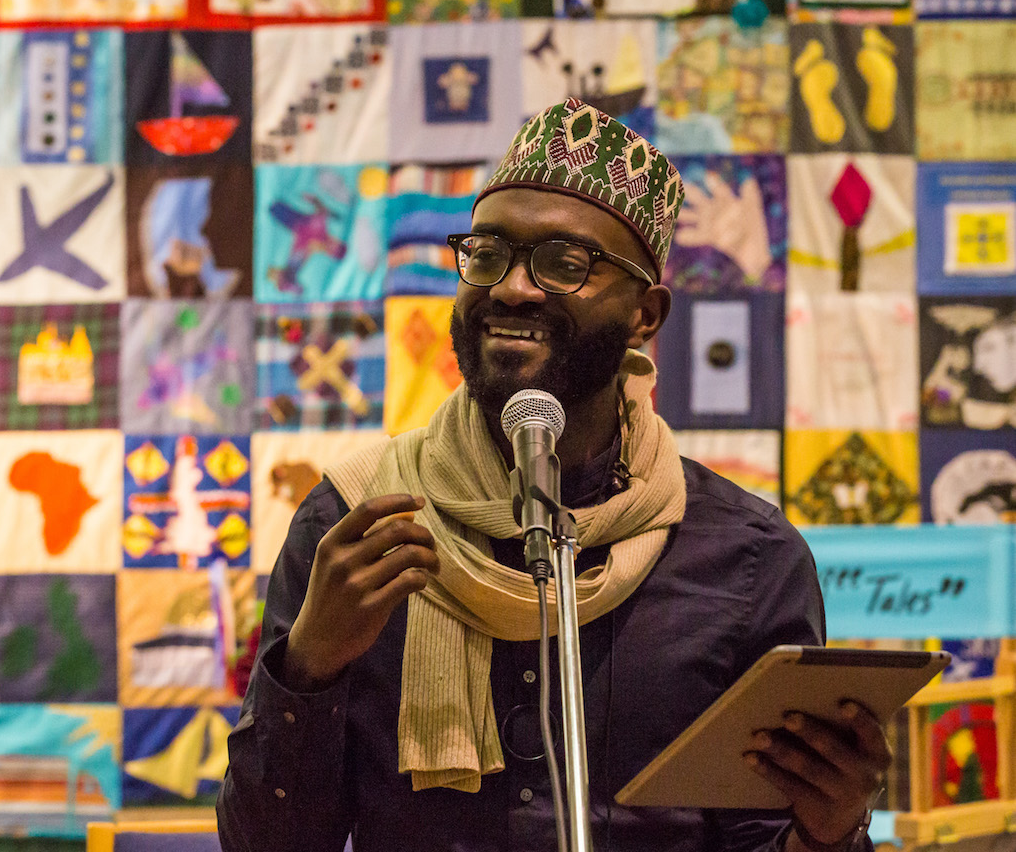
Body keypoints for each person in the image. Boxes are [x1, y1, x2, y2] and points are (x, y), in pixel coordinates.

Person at [217, 98, 889, 852]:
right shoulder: (360, 524)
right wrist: (308, 668)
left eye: (567, 264)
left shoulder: (745, 558)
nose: (511, 288)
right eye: (487, 254)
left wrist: (831, 833)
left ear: (646, 315)